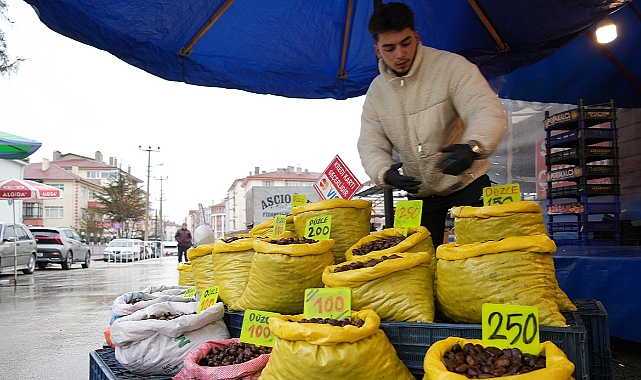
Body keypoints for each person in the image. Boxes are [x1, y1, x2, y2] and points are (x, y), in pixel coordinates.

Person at [358, 2, 506, 249]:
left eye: (405, 43)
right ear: (377, 51)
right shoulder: (376, 93)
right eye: (389, 48)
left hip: (468, 183)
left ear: (416, 37)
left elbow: (485, 108)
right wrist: (384, 172)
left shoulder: (452, 67)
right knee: (418, 264)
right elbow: (370, 142)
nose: (400, 54)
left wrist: (474, 147)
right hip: (420, 194)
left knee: (484, 255)